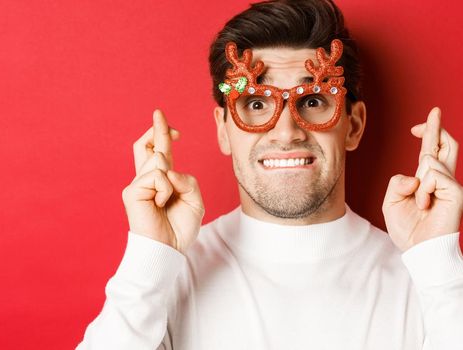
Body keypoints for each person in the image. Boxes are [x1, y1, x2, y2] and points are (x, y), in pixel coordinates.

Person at [76, 0, 463, 349]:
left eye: (312, 101)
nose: (286, 132)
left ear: (354, 126)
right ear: (223, 129)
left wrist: (440, 262)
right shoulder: (169, 276)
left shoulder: (426, 278)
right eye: (257, 103)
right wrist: (149, 256)